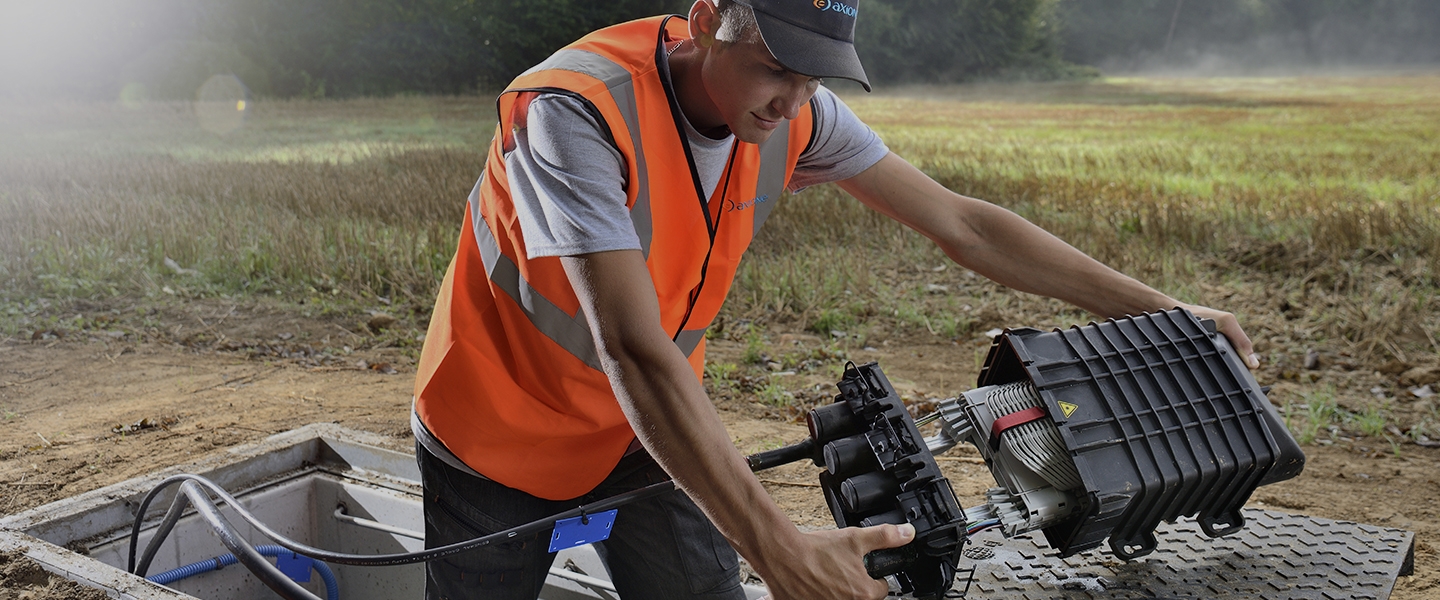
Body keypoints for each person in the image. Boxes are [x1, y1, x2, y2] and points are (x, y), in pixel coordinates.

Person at [411, 1, 1260, 599]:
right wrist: (782, 553)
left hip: (649, 433)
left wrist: (1159, 312)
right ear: (709, 17)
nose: (793, 101)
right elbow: (632, 346)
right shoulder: (574, 111)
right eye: (776, 68)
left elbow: (965, 225)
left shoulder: (797, 116)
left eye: (816, 78)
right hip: (496, 434)